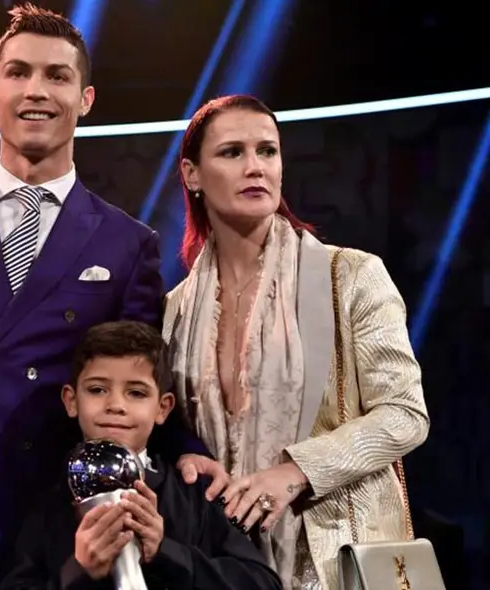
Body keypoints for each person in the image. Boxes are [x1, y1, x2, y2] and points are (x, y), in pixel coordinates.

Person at [0, 5, 226, 589]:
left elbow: (142, 372)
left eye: (57, 76)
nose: (36, 92)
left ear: (86, 97)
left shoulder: (128, 245)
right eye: (19, 73)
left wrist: (187, 446)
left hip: (55, 529)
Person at [161, 94, 430, 590]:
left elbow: (404, 415)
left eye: (267, 151)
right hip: (230, 564)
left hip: (339, 561)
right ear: (192, 174)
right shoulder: (174, 312)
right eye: (232, 152)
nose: (255, 167)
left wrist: (295, 471)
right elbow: (172, 427)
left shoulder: (350, 276)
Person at [0, 321, 284, 590]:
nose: (116, 405)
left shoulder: (194, 495)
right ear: (72, 401)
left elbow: (262, 583)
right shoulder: (50, 502)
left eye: (136, 393)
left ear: (163, 408)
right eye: (97, 390)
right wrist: (79, 571)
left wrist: (166, 552)